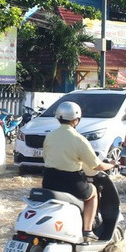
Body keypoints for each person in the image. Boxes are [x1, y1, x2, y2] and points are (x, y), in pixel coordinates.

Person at [42, 101, 116, 241]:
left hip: (49, 181)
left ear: (58, 117)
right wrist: (111, 165)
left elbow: (46, 158)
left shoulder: (49, 136)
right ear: (76, 120)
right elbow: (96, 165)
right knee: (93, 193)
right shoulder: (79, 139)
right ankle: (87, 230)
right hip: (71, 183)